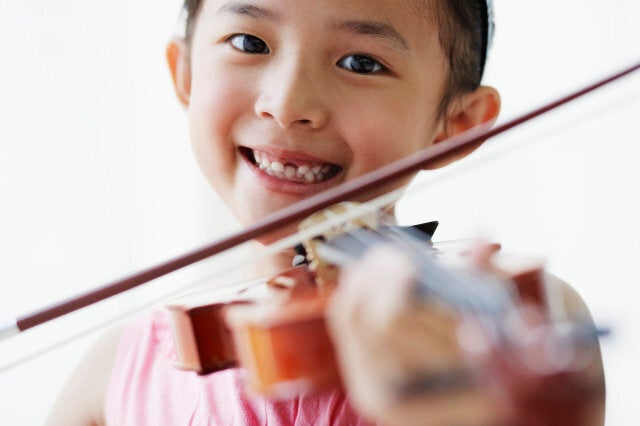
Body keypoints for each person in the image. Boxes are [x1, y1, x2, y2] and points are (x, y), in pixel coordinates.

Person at [46, 0, 605, 425]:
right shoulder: (120, 368)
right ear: (186, 74)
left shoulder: (509, 323)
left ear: (456, 126)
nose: (288, 103)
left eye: (360, 62)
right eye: (247, 41)